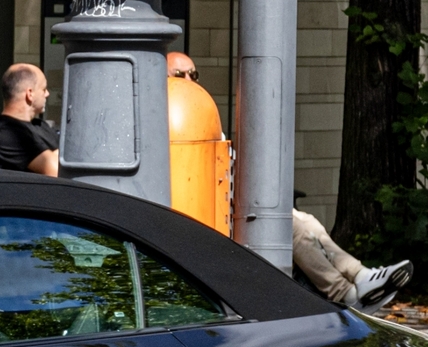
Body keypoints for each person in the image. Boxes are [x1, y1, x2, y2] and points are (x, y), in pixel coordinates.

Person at [165, 51, 412, 308]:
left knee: (308, 220)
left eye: (193, 74)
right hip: (205, 218)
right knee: (292, 227)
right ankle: (346, 294)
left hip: (228, 206)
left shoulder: (203, 115)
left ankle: (361, 277)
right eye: (179, 74)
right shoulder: (172, 118)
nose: (188, 80)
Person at [0, 63, 59, 176]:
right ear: (30, 94)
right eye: (43, 89)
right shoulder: (5, 135)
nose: (47, 94)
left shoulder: (40, 125)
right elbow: (56, 171)